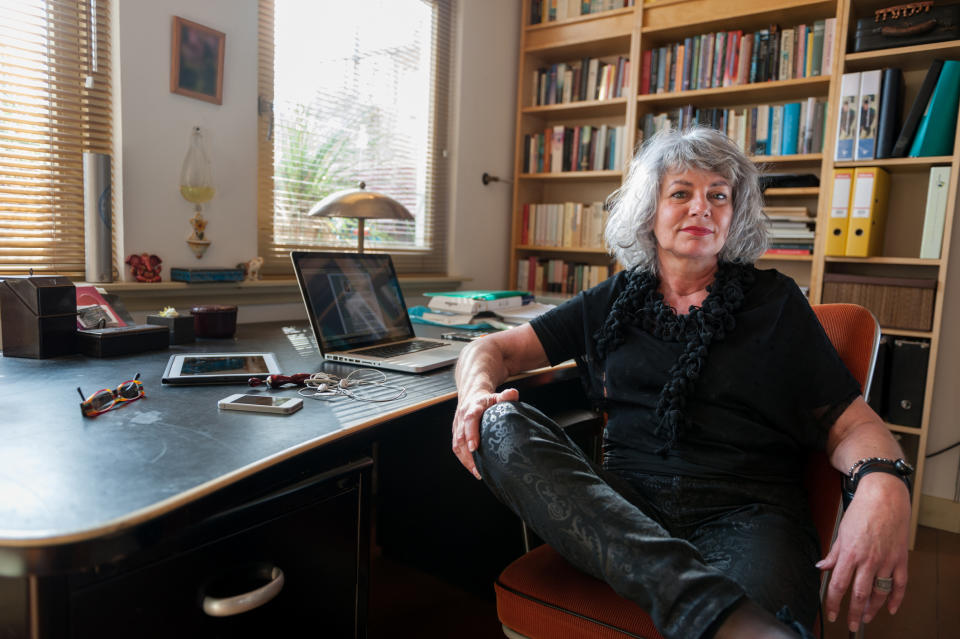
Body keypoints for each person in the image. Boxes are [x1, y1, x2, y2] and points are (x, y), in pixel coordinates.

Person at [451, 127, 911, 639]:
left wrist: (881, 482)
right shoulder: (614, 300)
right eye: (681, 193)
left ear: (735, 216)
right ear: (650, 210)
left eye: (718, 195)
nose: (702, 208)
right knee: (498, 422)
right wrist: (474, 393)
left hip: (747, 515)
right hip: (620, 512)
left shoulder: (775, 303)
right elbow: (490, 348)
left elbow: (850, 426)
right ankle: (696, 600)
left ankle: (684, 597)